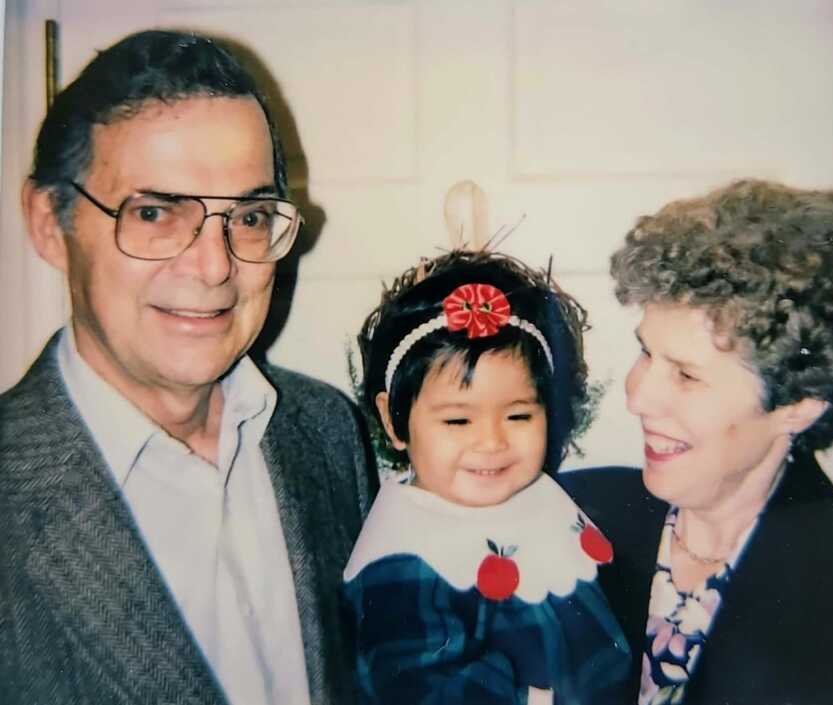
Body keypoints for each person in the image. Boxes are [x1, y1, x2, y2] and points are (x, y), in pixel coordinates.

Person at [0, 30, 375, 705]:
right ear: (50, 224)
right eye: (154, 213)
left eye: (251, 215)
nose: (214, 266)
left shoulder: (324, 431)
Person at [562, 179, 833, 705]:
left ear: (798, 404)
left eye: (687, 375)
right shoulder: (570, 512)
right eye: (647, 353)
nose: (638, 396)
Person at [344, 250, 631, 704]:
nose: (492, 442)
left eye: (518, 416)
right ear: (394, 420)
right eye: (458, 421)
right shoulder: (402, 570)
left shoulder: (540, 501)